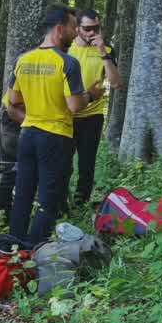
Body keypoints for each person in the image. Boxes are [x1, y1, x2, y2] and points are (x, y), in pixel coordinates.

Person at [3, 4, 93, 249]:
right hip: (56, 137)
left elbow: (12, 102)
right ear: (60, 29)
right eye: (74, 28)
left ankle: (14, 248)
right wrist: (91, 95)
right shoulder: (67, 63)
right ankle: (35, 251)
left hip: (28, 134)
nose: (76, 33)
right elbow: (75, 105)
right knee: (48, 199)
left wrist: (34, 115)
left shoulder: (23, 60)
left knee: (22, 194)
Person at [66, 11, 122, 206]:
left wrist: (103, 53)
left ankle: (81, 203)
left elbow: (115, 83)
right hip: (67, 114)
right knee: (63, 163)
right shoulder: (67, 48)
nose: (92, 32)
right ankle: (61, 203)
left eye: (96, 28)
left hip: (93, 115)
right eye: (87, 28)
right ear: (77, 29)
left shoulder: (106, 50)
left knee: (86, 164)